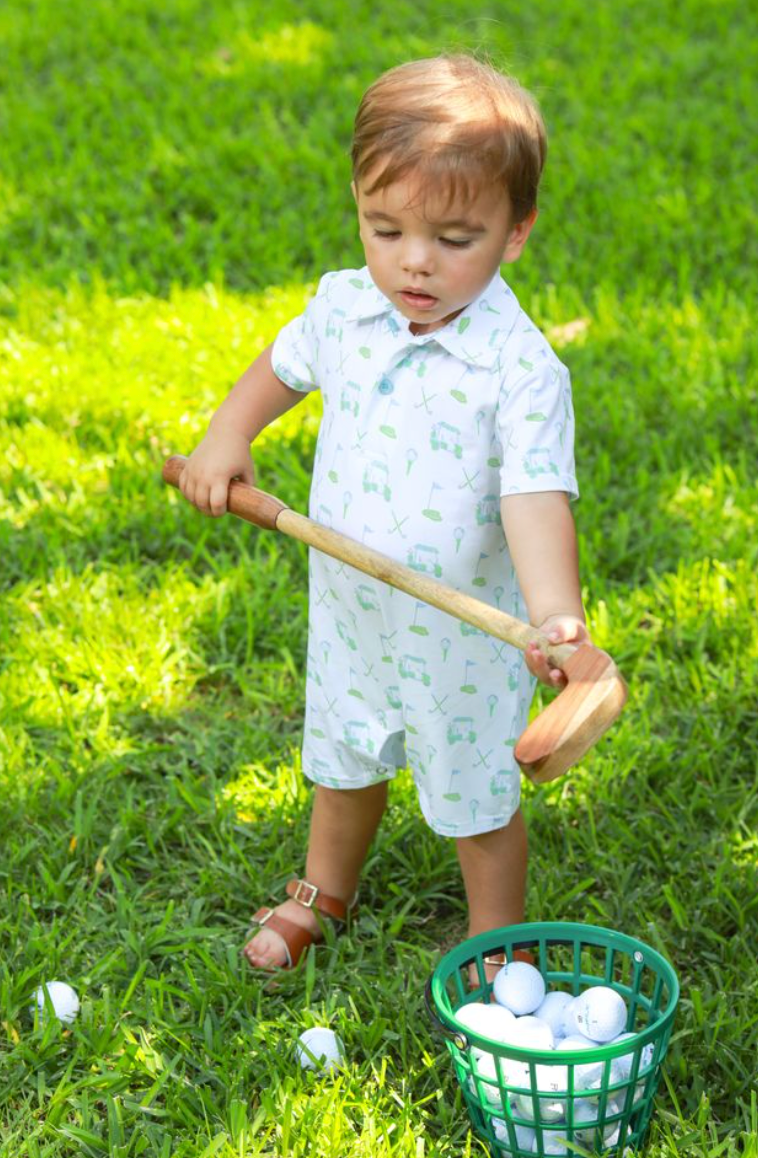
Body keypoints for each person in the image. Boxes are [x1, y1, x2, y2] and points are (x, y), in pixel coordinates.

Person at [178, 54, 589, 971]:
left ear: (515, 233)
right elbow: (282, 367)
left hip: (462, 635)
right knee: (343, 755)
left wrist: (554, 613)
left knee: (475, 792)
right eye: (384, 226)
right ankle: (324, 889)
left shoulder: (519, 372)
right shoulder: (345, 309)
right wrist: (225, 438)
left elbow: (534, 497)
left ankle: (497, 939)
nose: (412, 260)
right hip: (356, 607)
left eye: (454, 238)